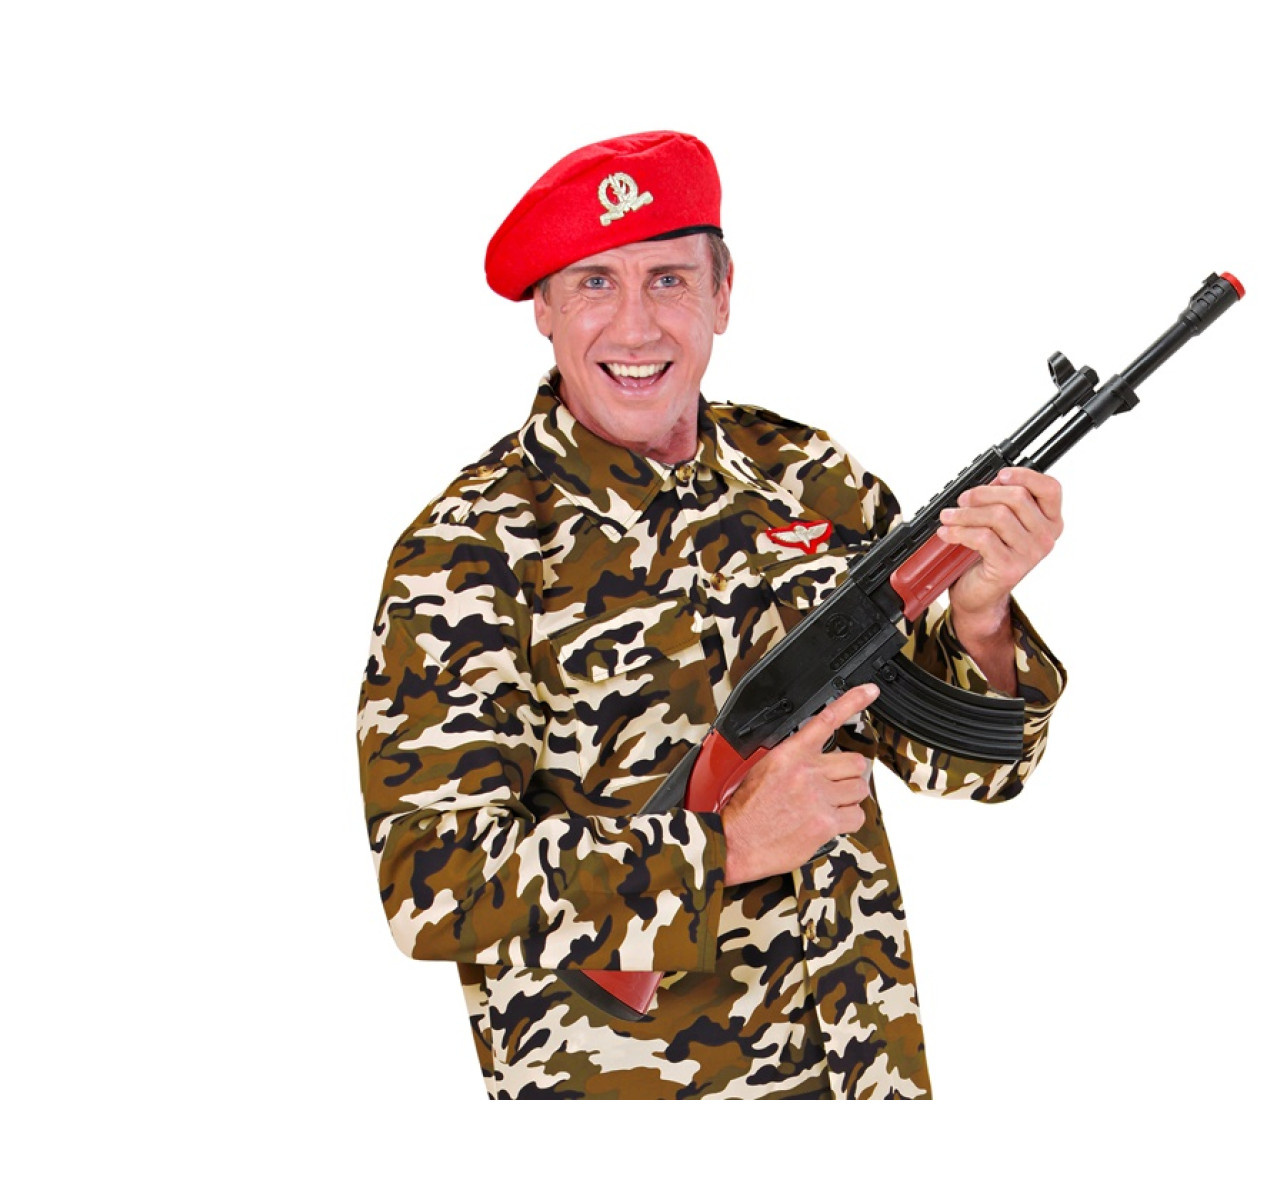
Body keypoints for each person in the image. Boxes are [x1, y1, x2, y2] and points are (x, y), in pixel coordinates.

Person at [357, 131, 1067, 1098]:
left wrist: (980, 618)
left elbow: (969, 771)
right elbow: (431, 885)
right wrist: (724, 848)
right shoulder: (467, 551)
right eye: (595, 283)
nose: (636, 326)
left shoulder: (806, 476)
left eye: (669, 280)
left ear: (723, 295)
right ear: (544, 310)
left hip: (867, 1077)